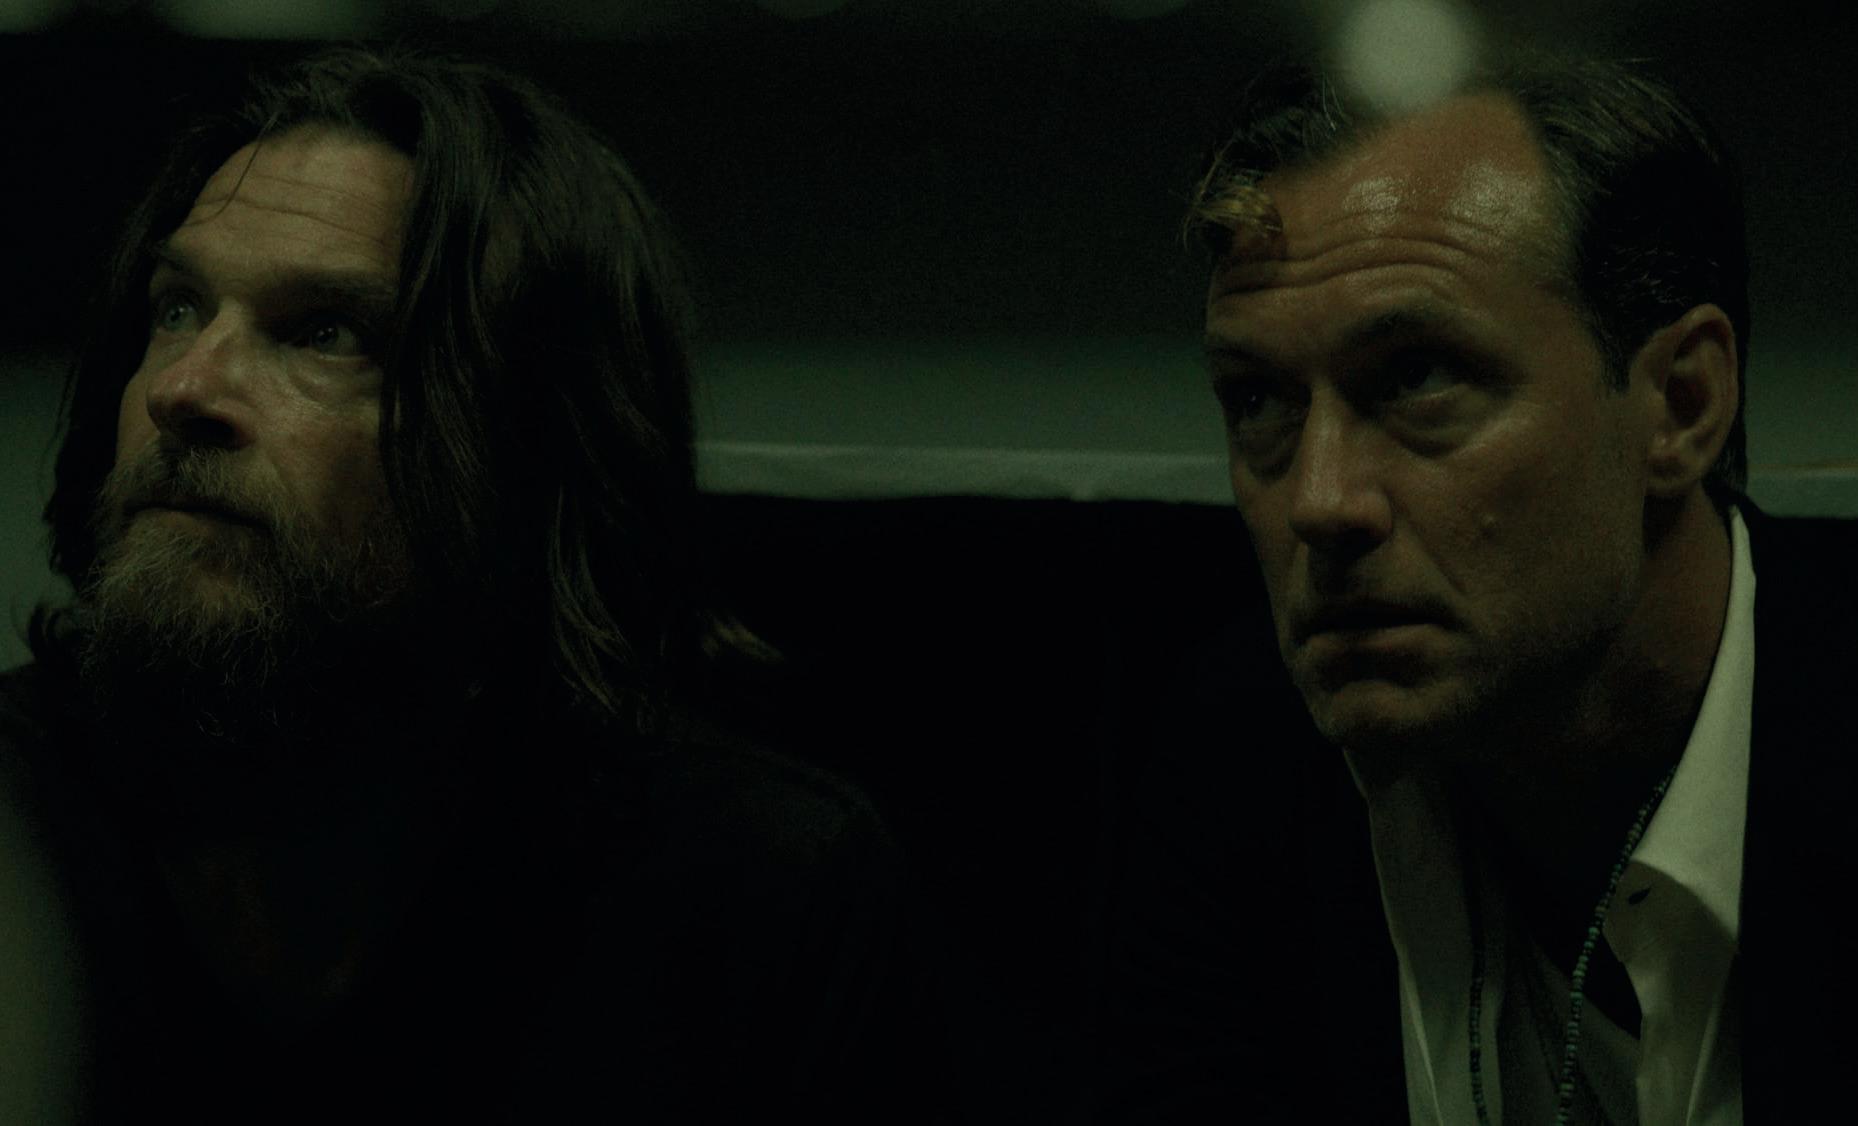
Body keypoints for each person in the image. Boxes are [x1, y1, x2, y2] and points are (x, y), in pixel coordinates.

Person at [0, 47, 940, 1124]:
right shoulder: (17, 825)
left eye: (325, 332)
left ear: (531, 450)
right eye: (176, 308)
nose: (184, 386)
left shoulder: (758, 895)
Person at [1101, 55, 1858, 1122]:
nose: (1319, 501)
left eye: (1418, 376)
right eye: (1258, 399)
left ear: (1682, 404)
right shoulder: (1243, 761)